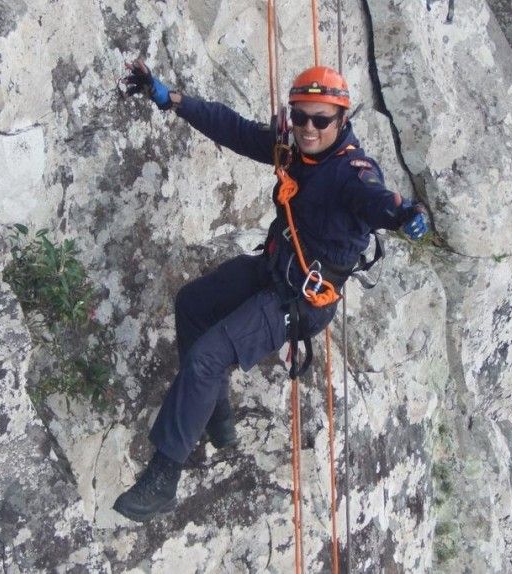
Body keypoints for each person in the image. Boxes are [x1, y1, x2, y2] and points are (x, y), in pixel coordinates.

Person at [112, 59, 428, 522]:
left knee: (207, 357)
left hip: (302, 299)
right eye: (300, 116)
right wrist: (170, 98)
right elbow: (234, 129)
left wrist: (403, 214)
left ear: (343, 121)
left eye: (321, 119)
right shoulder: (294, 149)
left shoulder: (351, 172)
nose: (308, 128)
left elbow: (375, 200)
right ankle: (218, 418)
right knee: (192, 305)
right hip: (275, 267)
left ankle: (164, 477)